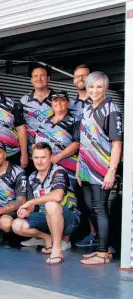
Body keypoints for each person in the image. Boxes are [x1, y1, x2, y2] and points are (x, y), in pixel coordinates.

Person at [76, 71, 123, 265]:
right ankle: (102, 247)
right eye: (91, 86)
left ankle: (103, 253)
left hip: (102, 167)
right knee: (90, 207)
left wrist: (112, 171)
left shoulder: (111, 109)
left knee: (100, 208)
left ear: (106, 88)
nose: (94, 90)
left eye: (99, 87)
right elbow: (83, 141)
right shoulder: (87, 109)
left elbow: (117, 143)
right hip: (86, 167)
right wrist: (79, 166)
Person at [12, 142, 80, 264]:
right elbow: (33, 206)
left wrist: (31, 201)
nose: (39, 161)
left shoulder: (58, 171)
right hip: (45, 217)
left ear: (50, 158)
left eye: (43, 157)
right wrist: (26, 210)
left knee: (51, 204)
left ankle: (56, 249)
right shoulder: (32, 177)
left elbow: (58, 195)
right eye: (36, 158)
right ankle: (46, 238)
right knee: (16, 225)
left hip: (69, 219)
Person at [33, 91, 80, 251]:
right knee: (45, 201)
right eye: (55, 101)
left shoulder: (74, 120)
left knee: (66, 202)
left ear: (67, 103)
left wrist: (57, 157)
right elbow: (36, 142)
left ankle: (65, 240)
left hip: (68, 170)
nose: (58, 103)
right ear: (51, 104)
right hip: (46, 170)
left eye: (62, 100)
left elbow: (76, 144)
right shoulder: (45, 121)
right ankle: (45, 237)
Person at [18, 65, 55, 247]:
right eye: (35, 76)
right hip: (32, 154)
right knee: (32, 191)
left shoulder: (57, 99)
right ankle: (37, 233)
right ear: (31, 80)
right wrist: (25, 154)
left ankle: (58, 233)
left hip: (52, 155)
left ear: (49, 78)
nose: (39, 78)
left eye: (42, 75)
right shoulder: (24, 100)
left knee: (52, 192)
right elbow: (20, 128)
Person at [70, 64, 98, 248]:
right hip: (73, 160)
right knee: (81, 200)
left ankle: (101, 238)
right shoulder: (69, 103)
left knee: (95, 202)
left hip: (95, 158)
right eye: (77, 76)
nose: (80, 79)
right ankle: (90, 234)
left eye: (84, 76)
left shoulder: (98, 101)